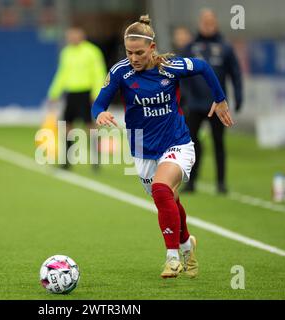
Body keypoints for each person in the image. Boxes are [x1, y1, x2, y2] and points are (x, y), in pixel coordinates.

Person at [91, 15, 233, 278]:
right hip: (143, 149)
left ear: (152, 48)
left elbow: (202, 66)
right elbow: (98, 104)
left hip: (177, 142)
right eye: (129, 52)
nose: (134, 57)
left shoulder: (169, 67)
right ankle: (186, 243)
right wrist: (99, 114)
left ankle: (172, 258)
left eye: (140, 52)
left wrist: (220, 99)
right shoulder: (120, 72)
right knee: (167, 198)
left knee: (160, 188)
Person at [181, 9, 243, 194]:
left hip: (217, 105)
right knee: (191, 144)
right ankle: (191, 182)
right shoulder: (190, 47)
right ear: (200, 23)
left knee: (219, 143)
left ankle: (221, 183)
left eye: (211, 22)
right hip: (194, 104)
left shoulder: (225, 47)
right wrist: (184, 96)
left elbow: (236, 73)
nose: (208, 25)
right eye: (205, 22)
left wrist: (239, 96)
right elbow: (180, 73)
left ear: (215, 23)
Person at [47, 26, 107, 170]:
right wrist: (54, 93)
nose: (71, 38)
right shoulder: (66, 52)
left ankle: (95, 160)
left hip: (86, 93)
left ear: (82, 36)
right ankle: (66, 161)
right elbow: (62, 74)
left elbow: (99, 73)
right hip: (71, 94)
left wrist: (97, 94)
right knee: (66, 126)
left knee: (90, 127)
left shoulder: (92, 52)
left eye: (74, 35)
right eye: (70, 36)